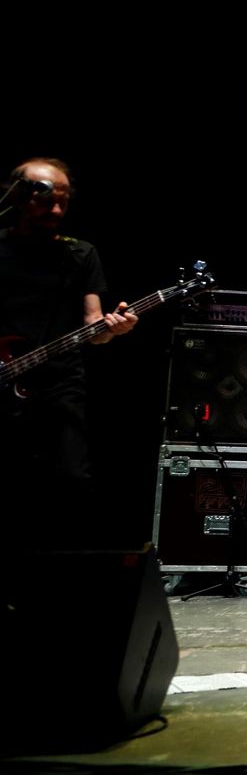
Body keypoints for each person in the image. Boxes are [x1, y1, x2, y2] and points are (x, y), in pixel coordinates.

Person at [0, 158, 139, 547]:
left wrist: (114, 330)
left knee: (71, 480)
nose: (56, 210)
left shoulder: (79, 254)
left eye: (62, 202)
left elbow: (95, 327)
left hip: (59, 384)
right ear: (19, 195)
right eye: (46, 201)